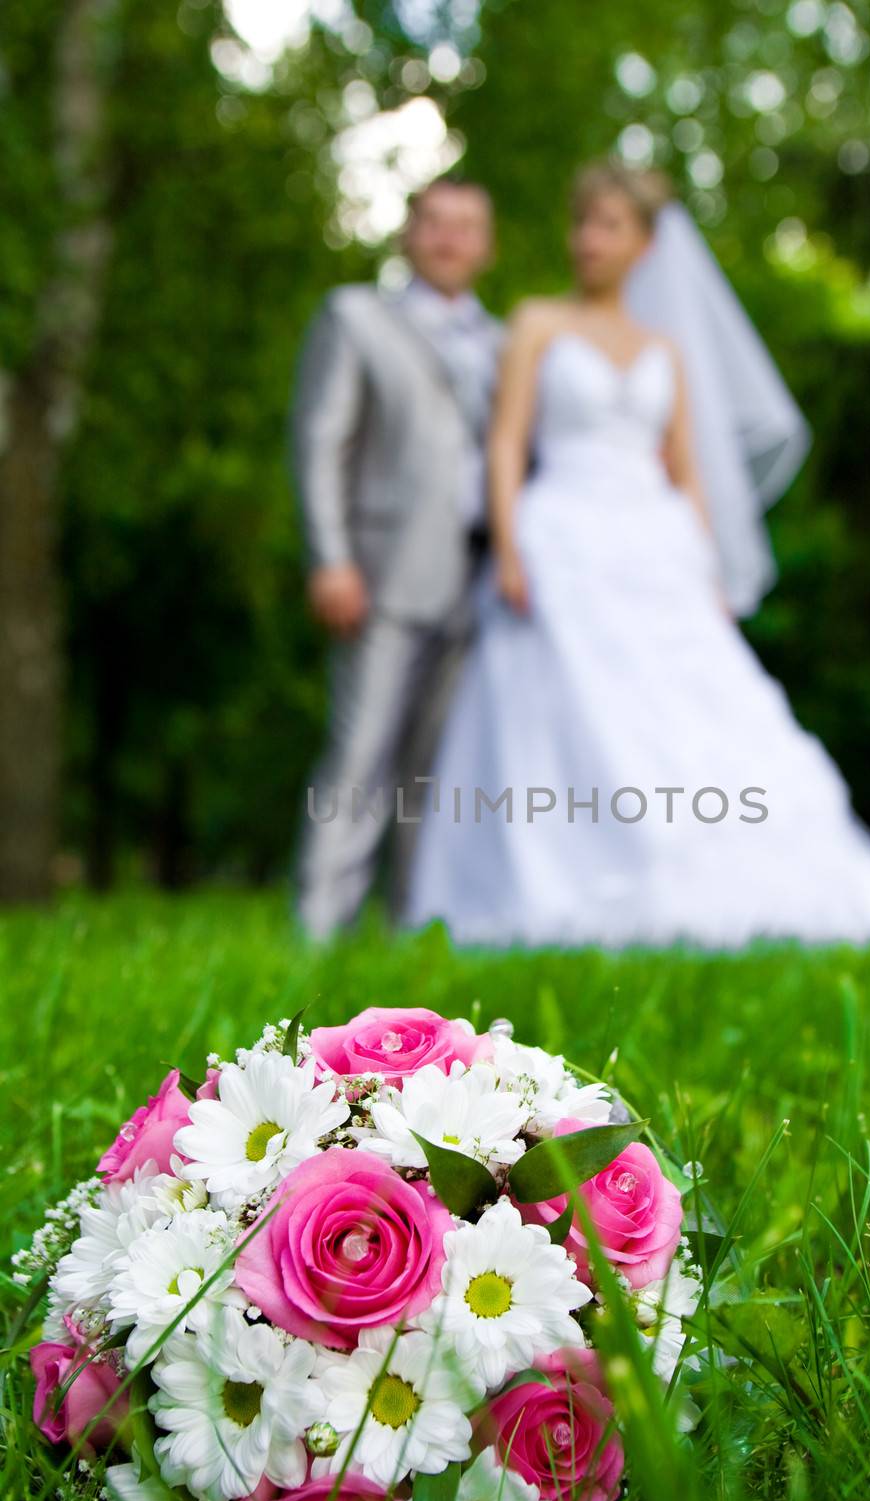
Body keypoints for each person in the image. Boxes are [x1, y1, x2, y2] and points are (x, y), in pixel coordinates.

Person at [403, 163, 870, 948]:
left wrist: (707, 566)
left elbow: (685, 468)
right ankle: (557, 882)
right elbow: (508, 440)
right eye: (582, 222)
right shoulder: (537, 323)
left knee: (697, 720)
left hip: (656, 549)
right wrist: (512, 547)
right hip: (561, 540)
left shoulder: (666, 348)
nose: (588, 239)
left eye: (609, 225)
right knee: (567, 720)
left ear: (646, 245)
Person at [293, 177, 502, 940]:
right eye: (435, 223)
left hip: (477, 584)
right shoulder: (356, 317)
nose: (449, 239)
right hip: (380, 574)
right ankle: (319, 930)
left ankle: (409, 924)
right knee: (359, 755)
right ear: (409, 235)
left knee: (435, 770)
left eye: (466, 225)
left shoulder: (505, 342)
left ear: (487, 246)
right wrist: (330, 557)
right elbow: (320, 441)